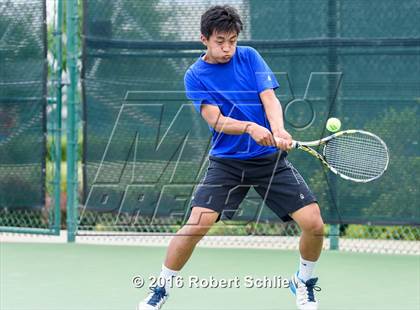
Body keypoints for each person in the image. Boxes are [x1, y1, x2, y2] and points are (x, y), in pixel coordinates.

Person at [138, 5, 324, 310]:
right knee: (197, 224)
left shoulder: (249, 57)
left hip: (268, 161)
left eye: (232, 41)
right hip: (227, 163)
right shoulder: (195, 75)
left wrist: (277, 129)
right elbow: (215, 119)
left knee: (314, 223)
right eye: (220, 41)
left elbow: (270, 98)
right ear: (204, 39)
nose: (227, 48)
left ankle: (303, 282)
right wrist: (250, 127)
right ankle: (161, 288)